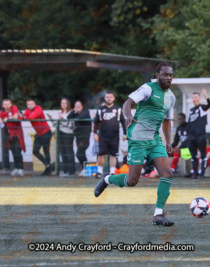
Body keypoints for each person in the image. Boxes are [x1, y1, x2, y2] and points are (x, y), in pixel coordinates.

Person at [94, 62, 176, 227]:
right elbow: (127, 103)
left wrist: (168, 142)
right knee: (132, 181)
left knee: (167, 173)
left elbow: (166, 120)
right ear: (157, 74)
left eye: (170, 75)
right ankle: (108, 179)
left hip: (154, 140)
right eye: (165, 74)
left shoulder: (171, 97)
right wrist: (128, 116)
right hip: (138, 138)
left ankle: (158, 215)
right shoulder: (148, 89)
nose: (168, 78)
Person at [93, 91, 126, 177]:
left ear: (114, 98)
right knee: (101, 154)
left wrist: (125, 133)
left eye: (110, 97)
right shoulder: (100, 109)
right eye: (107, 97)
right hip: (103, 136)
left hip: (114, 136)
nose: (109, 98)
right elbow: (96, 122)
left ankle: (112, 172)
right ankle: (99, 172)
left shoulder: (118, 109)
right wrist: (95, 133)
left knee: (113, 155)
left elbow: (123, 122)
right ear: (105, 98)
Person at [23, 99, 53, 176]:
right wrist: (23, 116)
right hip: (38, 134)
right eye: (28, 104)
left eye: (31, 104)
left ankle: (48, 170)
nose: (30, 106)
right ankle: (48, 165)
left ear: (35, 104)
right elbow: (22, 117)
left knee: (46, 152)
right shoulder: (27, 110)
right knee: (35, 151)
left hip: (46, 132)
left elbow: (32, 117)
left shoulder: (38, 108)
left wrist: (24, 117)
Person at [0, 99, 26, 176]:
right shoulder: (2, 113)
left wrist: (8, 118)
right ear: (3, 106)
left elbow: (16, 116)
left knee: (18, 151)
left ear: (11, 104)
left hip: (18, 133)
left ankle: (21, 169)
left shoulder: (14, 108)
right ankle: (16, 168)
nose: (7, 106)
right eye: (5, 104)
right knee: (13, 151)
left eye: (8, 104)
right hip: (10, 135)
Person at [187, 89, 210, 179]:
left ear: (199, 98)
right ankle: (195, 173)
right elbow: (189, 123)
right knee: (193, 156)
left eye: (196, 97)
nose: (194, 98)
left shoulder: (202, 108)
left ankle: (202, 173)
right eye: (193, 97)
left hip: (200, 135)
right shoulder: (191, 110)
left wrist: (206, 95)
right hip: (191, 136)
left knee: (203, 154)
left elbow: (209, 105)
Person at [48, 98, 75, 177]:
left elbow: (71, 125)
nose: (63, 105)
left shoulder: (71, 112)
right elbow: (57, 125)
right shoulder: (60, 112)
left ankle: (71, 171)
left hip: (68, 134)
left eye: (65, 103)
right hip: (60, 133)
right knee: (63, 153)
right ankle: (65, 171)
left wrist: (62, 120)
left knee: (69, 152)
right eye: (62, 103)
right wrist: (52, 120)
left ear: (68, 104)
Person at [68, 100, 92, 176]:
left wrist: (75, 113)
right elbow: (69, 117)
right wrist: (73, 111)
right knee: (82, 154)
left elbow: (80, 117)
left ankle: (85, 168)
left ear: (82, 106)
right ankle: (86, 169)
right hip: (78, 136)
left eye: (79, 106)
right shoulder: (75, 113)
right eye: (76, 106)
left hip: (85, 137)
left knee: (79, 153)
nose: (77, 107)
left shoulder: (86, 112)